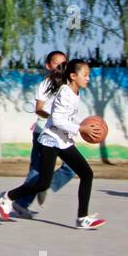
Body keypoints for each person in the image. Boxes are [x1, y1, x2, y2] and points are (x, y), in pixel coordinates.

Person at [0, 58, 106, 230]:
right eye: (85, 75)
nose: (88, 78)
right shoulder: (64, 91)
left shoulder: (76, 92)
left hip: (62, 140)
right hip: (50, 139)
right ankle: (8, 197)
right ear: (72, 75)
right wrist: (80, 128)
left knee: (87, 174)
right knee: (43, 183)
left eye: (88, 75)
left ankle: (82, 218)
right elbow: (56, 120)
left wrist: (84, 126)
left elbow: (67, 117)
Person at [11, 50, 75, 214]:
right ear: (48, 66)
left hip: (61, 133)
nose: (61, 65)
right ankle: (21, 203)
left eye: (64, 62)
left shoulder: (69, 85)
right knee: (37, 170)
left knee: (70, 167)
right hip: (44, 133)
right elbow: (38, 109)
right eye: (56, 62)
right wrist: (55, 117)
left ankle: (45, 185)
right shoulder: (46, 84)